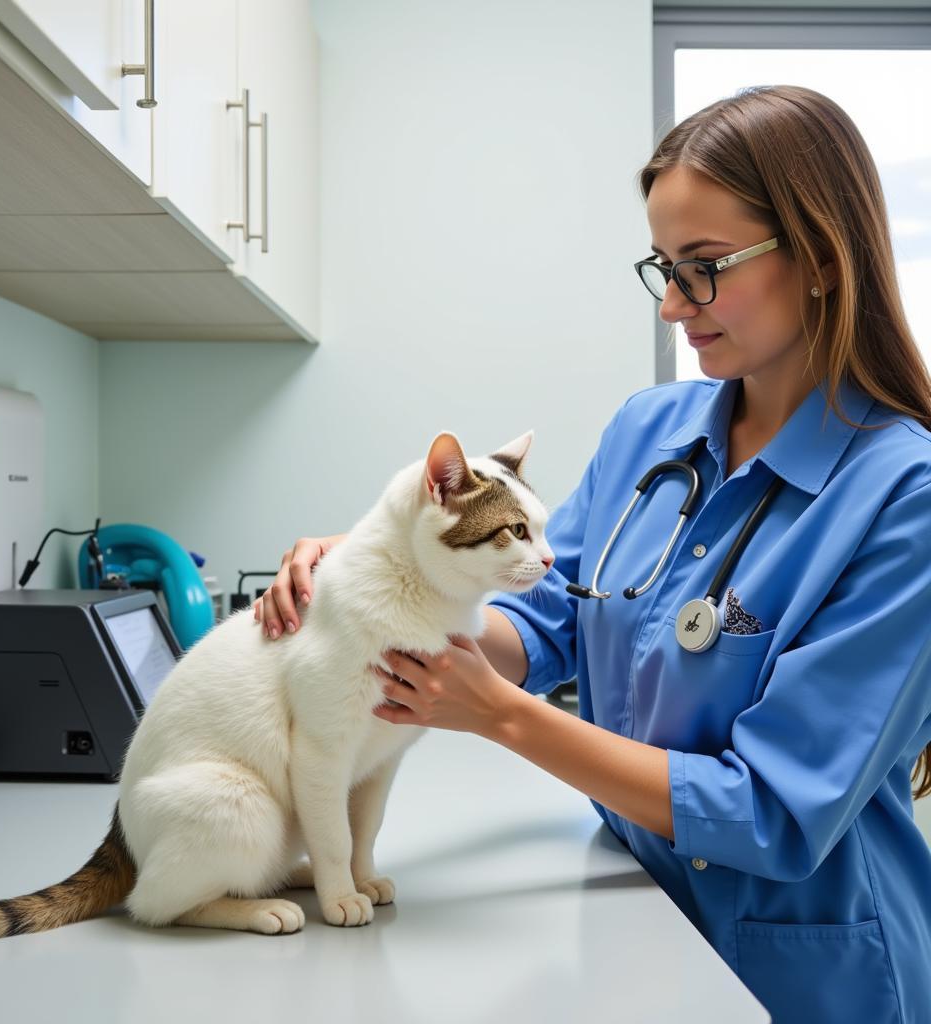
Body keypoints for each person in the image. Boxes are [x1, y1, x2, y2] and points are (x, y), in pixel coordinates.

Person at [254, 86, 931, 1023]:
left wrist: (505, 721)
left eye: (704, 268)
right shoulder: (648, 433)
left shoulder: (906, 498)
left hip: (805, 967)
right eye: (663, 268)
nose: (673, 307)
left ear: (818, 258)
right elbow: (545, 621)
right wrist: (389, 582)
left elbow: (776, 813)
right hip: (637, 916)